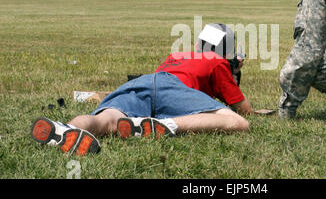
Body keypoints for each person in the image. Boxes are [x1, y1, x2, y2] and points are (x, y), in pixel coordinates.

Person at [31, 23, 253, 155]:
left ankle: (66, 128)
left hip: (146, 80)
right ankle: (162, 125)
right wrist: (233, 68)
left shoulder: (176, 55)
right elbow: (242, 109)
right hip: (174, 88)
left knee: (107, 119)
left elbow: (160, 88)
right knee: (237, 122)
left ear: (199, 43)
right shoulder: (218, 61)